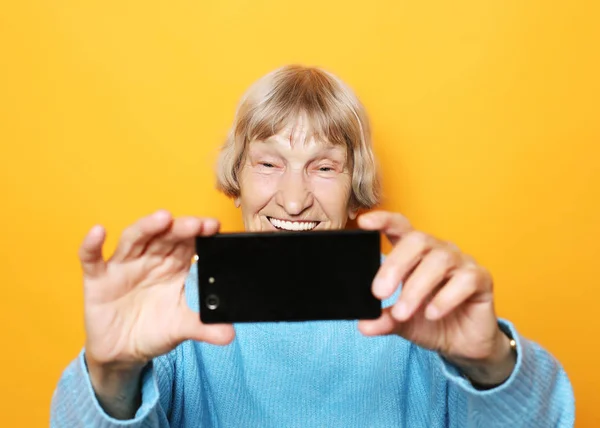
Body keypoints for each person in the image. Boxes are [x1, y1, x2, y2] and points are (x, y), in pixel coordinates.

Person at [51, 65, 575, 427]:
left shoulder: (422, 301)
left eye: (323, 167)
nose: (295, 198)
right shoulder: (171, 308)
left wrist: (490, 365)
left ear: (355, 186)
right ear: (237, 177)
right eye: (269, 163)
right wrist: (112, 377)